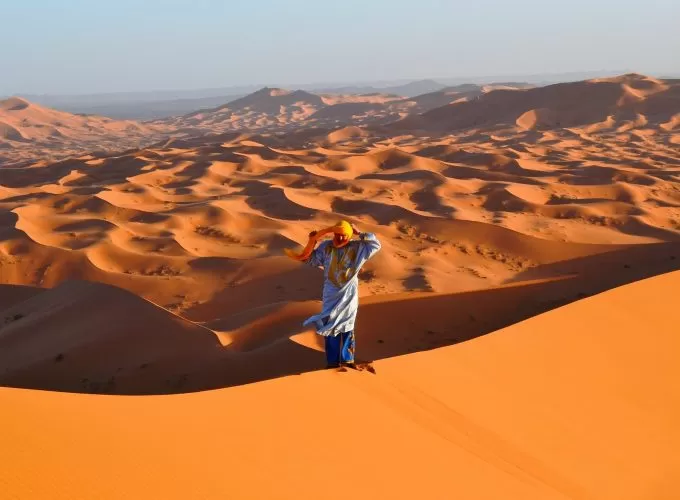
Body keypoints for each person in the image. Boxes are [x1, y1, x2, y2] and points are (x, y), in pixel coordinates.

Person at [285, 220, 381, 368]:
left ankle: (347, 359)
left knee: (347, 325)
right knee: (330, 325)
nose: (340, 238)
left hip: (349, 293)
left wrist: (359, 233)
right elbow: (309, 260)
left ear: (349, 236)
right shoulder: (326, 247)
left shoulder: (358, 248)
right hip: (330, 293)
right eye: (337, 234)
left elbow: (375, 244)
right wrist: (313, 241)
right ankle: (332, 362)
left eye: (344, 235)